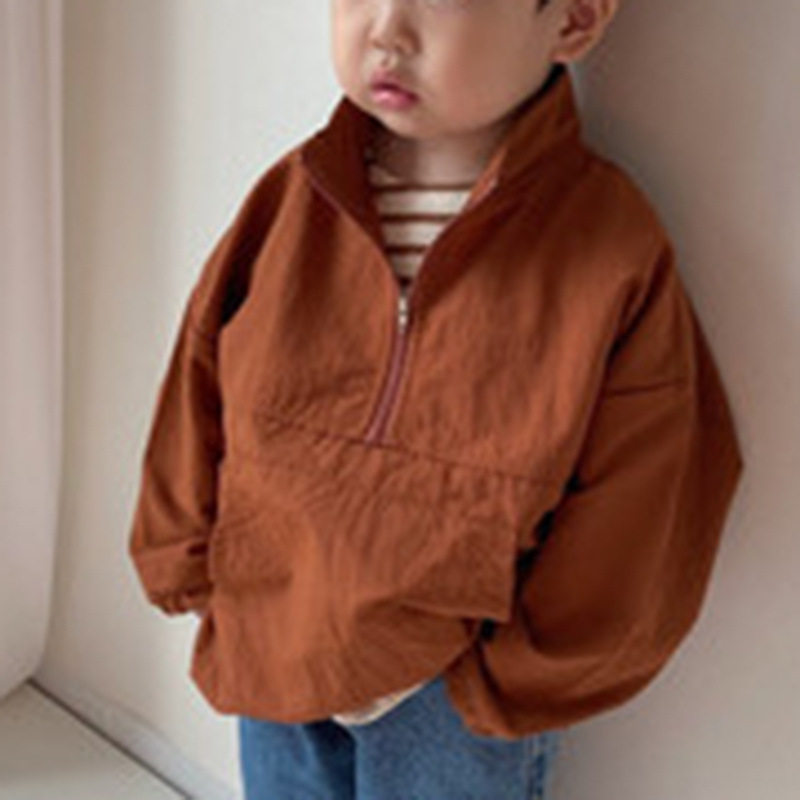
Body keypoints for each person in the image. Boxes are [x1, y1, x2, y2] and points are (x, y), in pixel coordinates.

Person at [127, 0, 746, 798]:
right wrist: (186, 560)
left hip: (448, 693)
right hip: (274, 633)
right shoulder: (294, 200)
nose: (387, 30)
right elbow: (201, 380)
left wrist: (516, 677)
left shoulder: (606, 247)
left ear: (573, 19)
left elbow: (650, 490)